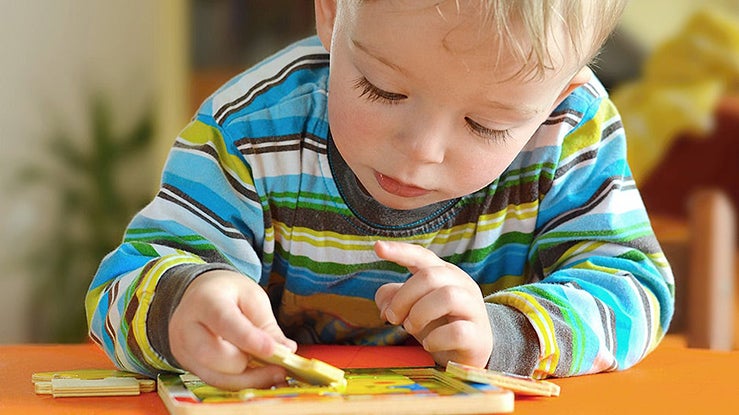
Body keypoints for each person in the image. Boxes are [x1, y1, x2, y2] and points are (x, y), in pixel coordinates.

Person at [86, 0, 674, 391]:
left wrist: (506, 333)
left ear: (556, 96)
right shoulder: (247, 129)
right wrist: (180, 303)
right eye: (383, 90)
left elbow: (635, 289)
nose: (421, 151)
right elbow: (117, 291)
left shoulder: (569, 129)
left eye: (486, 125)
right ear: (333, 13)